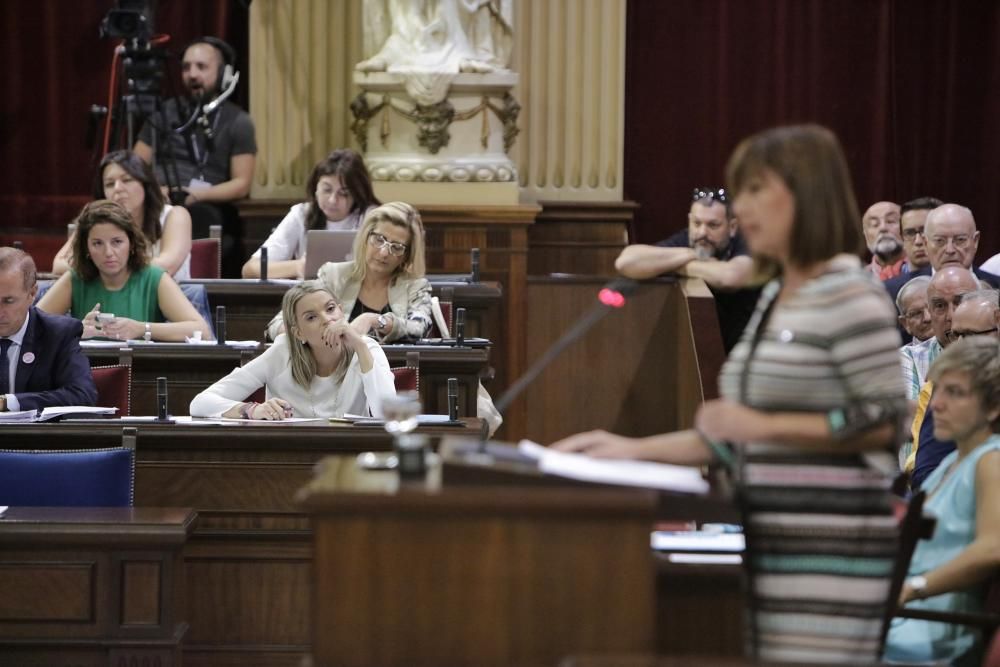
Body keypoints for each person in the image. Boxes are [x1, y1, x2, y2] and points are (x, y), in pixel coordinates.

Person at [554, 125, 907, 663]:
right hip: (767, 537)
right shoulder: (777, 296)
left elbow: (884, 423)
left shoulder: (849, 294)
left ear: (806, 194)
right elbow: (732, 437)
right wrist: (624, 450)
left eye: (755, 190)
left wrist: (762, 428)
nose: (741, 207)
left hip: (827, 555)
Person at [884, 337, 1000, 667]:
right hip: (906, 618)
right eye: (939, 391)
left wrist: (912, 588)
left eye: (956, 393)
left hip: (934, 632)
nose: (938, 405)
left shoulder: (991, 460)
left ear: (993, 407)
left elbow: (994, 547)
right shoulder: (953, 462)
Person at [134, 37, 257, 277]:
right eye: (186, 67)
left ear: (223, 74)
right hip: (160, 201)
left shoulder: (239, 121)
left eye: (201, 67)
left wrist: (195, 195)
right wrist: (156, 190)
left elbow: (242, 184)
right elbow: (135, 165)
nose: (192, 74)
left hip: (206, 205)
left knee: (202, 215)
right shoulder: (163, 113)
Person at [190, 282, 394, 419]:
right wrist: (250, 410)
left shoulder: (367, 350)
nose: (326, 319)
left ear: (341, 311)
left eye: (331, 309)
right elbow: (200, 403)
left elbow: (387, 416)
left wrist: (359, 345)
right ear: (298, 334)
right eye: (311, 317)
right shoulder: (281, 352)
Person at [37, 200, 212, 342]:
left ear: (132, 244)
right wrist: (76, 330)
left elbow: (202, 331)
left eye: (117, 242)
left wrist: (141, 328)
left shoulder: (153, 277)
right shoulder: (75, 278)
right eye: (97, 243)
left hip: (143, 375)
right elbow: (32, 328)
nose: (108, 253)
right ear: (86, 249)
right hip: (86, 374)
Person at [614, 186, 761, 352]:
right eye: (697, 223)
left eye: (713, 225)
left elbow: (730, 277)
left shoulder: (747, 242)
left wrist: (677, 266)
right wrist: (693, 255)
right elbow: (625, 262)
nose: (702, 232)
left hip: (749, 350)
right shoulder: (690, 242)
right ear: (689, 220)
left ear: (732, 227)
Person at [267, 201, 433, 343]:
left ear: (406, 256)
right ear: (365, 238)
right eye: (379, 239)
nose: (383, 253)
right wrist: (316, 334)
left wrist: (374, 320)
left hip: (390, 373)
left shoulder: (415, 286)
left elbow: (419, 328)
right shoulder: (333, 275)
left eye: (396, 247)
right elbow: (277, 325)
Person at [905, 290, 1000, 491]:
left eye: (970, 335)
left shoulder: (990, 464)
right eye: (956, 335)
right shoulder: (943, 383)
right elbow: (926, 473)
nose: (959, 345)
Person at [52, 150, 193, 280]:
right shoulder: (94, 220)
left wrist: (106, 267)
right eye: (109, 184)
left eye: (126, 180)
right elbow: (59, 265)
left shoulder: (175, 215)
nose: (118, 189)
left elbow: (166, 266)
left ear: (145, 183)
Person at [241, 149, 381, 279]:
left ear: (356, 195)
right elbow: (250, 269)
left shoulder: (371, 216)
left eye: (343, 193)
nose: (333, 200)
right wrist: (298, 266)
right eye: (327, 190)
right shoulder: (301, 214)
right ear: (315, 189)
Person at [0, 247, 96, 412]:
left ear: (32, 294)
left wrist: (8, 403)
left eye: (8, 301)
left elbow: (82, 395)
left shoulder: (59, 334)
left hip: (36, 437)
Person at [899, 196, 943, 275]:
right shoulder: (887, 287)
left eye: (924, 231)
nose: (918, 241)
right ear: (902, 239)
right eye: (910, 233)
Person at [862, 200, 905, 280]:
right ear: (865, 234)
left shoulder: (926, 270)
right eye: (874, 224)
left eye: (890, 221)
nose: (883, 228)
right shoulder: (860, 280)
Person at [896, 275, 933, 345]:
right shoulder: (902, 356)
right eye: (917, 313)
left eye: (932, 307)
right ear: (905, 323)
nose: (928, 318)